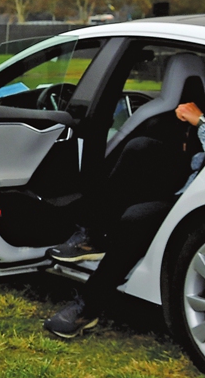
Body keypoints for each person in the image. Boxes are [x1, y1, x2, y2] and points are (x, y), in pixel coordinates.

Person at [44, 100, 205, 337]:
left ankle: (88, 305)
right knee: (140, 147)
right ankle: (94, 236)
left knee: (136, 218)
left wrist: (200, 121)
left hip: (195, 198)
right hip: (193, 178)